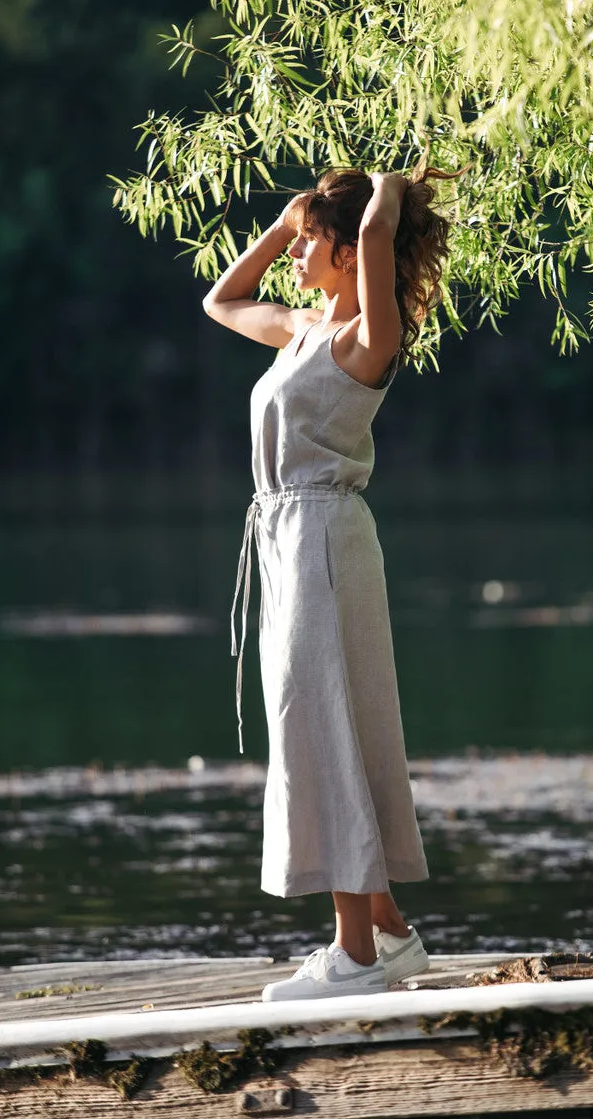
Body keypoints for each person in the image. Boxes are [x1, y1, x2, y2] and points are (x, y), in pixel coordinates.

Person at [203, 165, 458, 1001]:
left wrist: (383, 185)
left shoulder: (365, 339)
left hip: (321, 535)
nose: (299, 251)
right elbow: (222, 302)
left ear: (352, 251)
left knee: (322, 728)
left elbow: (381, 231)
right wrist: (283, 226)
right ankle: (386, 930)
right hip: (287, 538)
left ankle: (353, 954)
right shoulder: (309, 329)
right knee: (319, 722)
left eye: (315, 239)